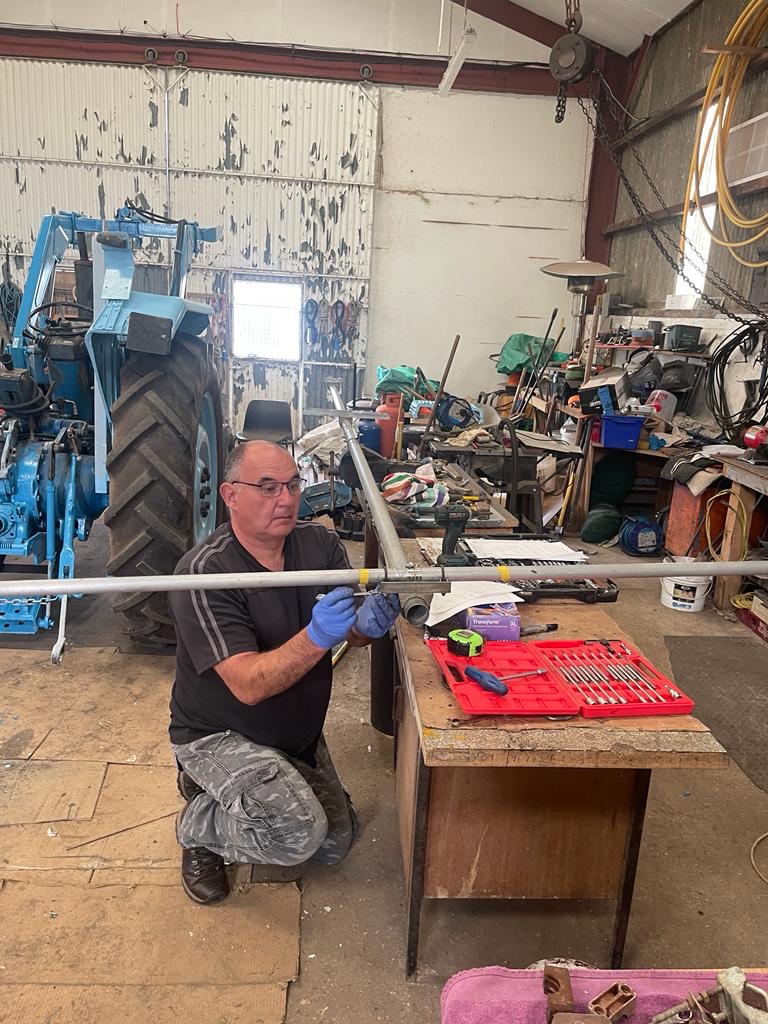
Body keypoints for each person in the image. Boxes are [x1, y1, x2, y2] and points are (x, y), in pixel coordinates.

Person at [168, 440, 400, 905]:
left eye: (293, 484)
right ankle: (198, 825)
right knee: (297, 834)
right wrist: (316, 637)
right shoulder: (204, 574)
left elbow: (350, 632)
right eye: (268, 487)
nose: (286, 499)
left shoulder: (320, 545)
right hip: (220, 733)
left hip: (295, 730)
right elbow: (248, 686)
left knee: (334, 845)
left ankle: (243, 790)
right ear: (231, 495)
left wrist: (365, 626)